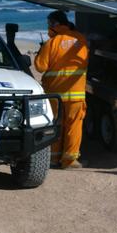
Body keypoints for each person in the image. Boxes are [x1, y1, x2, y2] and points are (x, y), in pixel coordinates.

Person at [34, 10, 89, 168]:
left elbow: (40, 66)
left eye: (49, 24)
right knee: (74, 125)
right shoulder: (80, 38)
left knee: (56, 125)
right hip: (76, 92)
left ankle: (53, 158)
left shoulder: (51, 43)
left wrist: (41, 52)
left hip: (55, 93)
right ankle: (70, 160)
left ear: (55, 24)